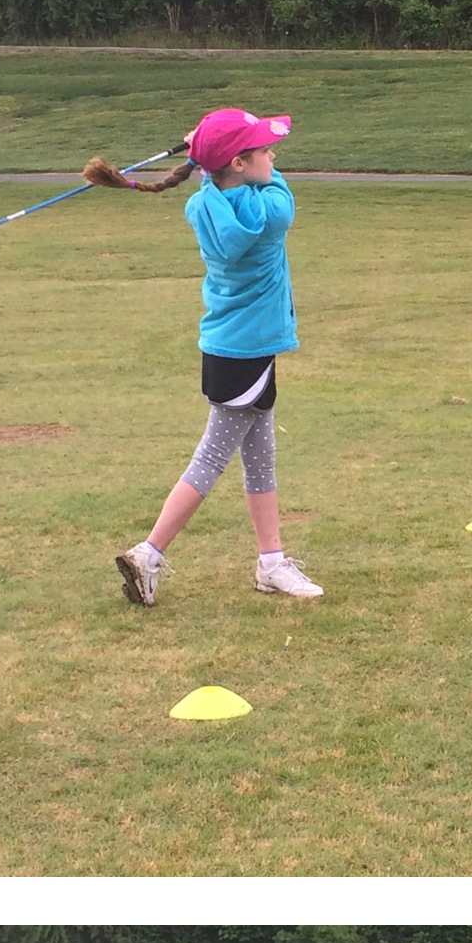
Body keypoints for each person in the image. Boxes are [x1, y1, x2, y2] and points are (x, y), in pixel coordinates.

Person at [112, 105, 320, 607]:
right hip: (247, 353)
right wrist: (208, 155)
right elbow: (276, 188)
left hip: (230, 348)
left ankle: (271, 562)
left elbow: (223, 184)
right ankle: (149, 553)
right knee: (210, 458)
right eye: (264, 150)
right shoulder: (271, 211)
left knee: (260, 455)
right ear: (241, 165)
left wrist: (211, 161)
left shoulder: (202, 205)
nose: (273, 155)